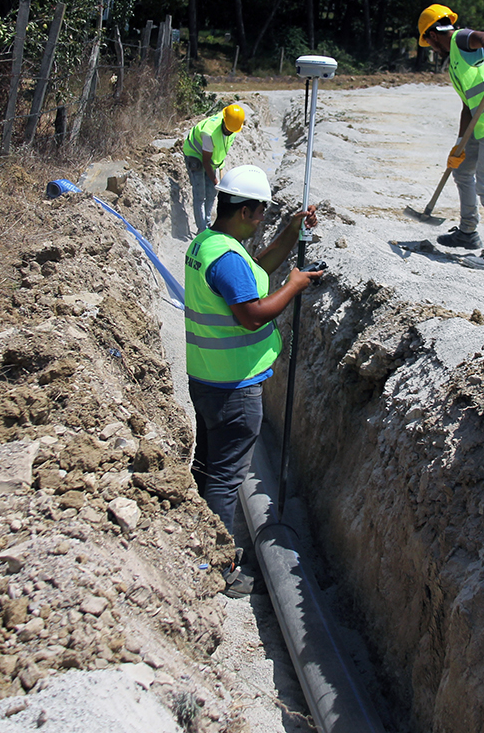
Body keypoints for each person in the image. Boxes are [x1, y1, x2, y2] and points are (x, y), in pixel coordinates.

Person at [184, 164, 323, 596]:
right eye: (260, 213)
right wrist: (295, 285)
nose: (261, 219)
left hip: (207, 379)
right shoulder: (226, 259)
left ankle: (192, 543)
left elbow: (257, 271)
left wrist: (290, 231)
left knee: (208, 466)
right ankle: (218, 567)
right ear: (244, 211)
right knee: (226, 479)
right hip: (234, 389)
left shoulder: (209, 244)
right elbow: (252, 314)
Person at [417, 2, 484, 271]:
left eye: (428, 43)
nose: (432, 49)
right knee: (462, 171)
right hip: (482, 124)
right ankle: (468, 233)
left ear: (432, 35)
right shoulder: (455, 63)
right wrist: (459, 145)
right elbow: (467, 106)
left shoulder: (460, 39)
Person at [181, 103, 247, 234]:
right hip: (195, 154)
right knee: (200, 194)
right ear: (224, 121)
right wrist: (217, 182)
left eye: (232, 131)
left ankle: (207, 223)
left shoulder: (232, 127)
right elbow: (205, 161)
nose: (229, 132)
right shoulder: (209, 133)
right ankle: (202, 230)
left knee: (211, 193)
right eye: (228, 129)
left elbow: (221, 149)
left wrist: (217, 178)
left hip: (209, 158)